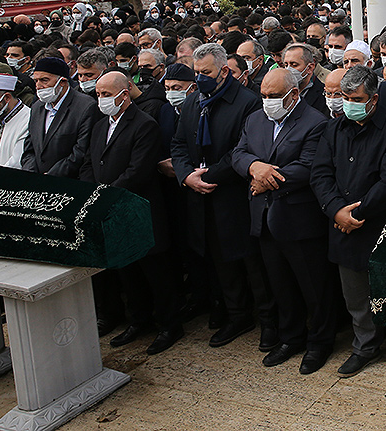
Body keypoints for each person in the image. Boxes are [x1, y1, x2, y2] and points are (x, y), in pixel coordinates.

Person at [310, 66, 386, 389]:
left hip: (379, 226)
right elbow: (320, 174)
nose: (348, 104)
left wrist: (357, 213)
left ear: (373, 99)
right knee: (356, 297)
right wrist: (335, 211)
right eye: (345, 97)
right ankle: (365, 346)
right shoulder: (333, 129)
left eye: (356, 98)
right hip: (341, 226)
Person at [170, 44, 276, 351]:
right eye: (197, 73)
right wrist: (186, 174)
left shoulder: (247, 103)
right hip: (201, 197)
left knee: (252, 265)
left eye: (207, 73)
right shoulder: (193, 103)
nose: (200, 78)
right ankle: (236, 314)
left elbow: (243, 150)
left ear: (224, 71)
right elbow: (179, 144)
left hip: (234, 198)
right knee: (220, 263)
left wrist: (209, 175)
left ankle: (269, 322)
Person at [232, 68, 335, 372]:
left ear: (293, 94)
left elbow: (309, 166)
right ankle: (292, 337)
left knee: (313, 286)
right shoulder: (255, 119)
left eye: (274, 96)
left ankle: (320, 342)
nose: (267, 101)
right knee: (280, 283)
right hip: (264, 217)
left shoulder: (315, 122)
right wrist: (254, 167)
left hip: (300, 218)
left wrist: (268, 177)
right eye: (264, 95)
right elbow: (238, 153)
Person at [81, 71, 183, 356]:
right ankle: (139, 320)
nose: (100, 99)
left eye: (105, 94)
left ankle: (169, 325)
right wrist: (94, 192)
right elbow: (90, 162)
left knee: (155, 272)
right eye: (98, 94)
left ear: (124, 94)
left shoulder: (144, 125)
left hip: (138, 208)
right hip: (111, 211)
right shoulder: (101, 125)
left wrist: (108, 193)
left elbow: (137, 171)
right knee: (128, 271)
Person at [22, 57, 97, 177]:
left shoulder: (85, 106)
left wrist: (52, 176)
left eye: (44, 80)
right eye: (36, 81)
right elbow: (30, 147)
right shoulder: (37, 107)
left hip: (68, 181)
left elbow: (80, 151)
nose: (38, 86)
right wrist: (32, 174)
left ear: (62, 82)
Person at [281, 43, 329, 117]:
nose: (289, 69)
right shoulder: (280, 91)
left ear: (309, 68)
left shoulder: (323, 95)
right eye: (286, 65)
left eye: (294, 65)